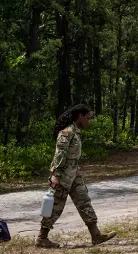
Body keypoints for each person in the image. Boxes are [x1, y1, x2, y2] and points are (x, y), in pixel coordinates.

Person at [36, 104, 117, 249]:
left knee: (84, 201)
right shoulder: (66, 133)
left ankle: (96, 235)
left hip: (74, 174)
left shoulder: (75, 132)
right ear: (80, 116)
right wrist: (56, 175)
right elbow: (60, 155)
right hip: (63, 175)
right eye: (87, 118)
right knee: (55, 206)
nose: (89, 121)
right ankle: (42, 238)